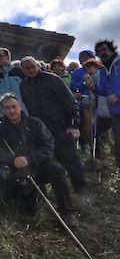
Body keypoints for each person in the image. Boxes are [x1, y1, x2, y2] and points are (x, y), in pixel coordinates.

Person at [0, 94, 77, 222]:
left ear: (20, 106)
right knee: (28, 210)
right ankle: (22, 204)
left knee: (57, 170)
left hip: (40, 164)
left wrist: (30, 159)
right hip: (17, 169)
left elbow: (48, 145)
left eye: (14, 106)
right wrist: (12, 160)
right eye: (7, 108)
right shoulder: (0, 129)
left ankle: (67, 212)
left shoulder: (35, 123)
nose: (12, 110)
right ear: (3, 110)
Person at [19, 56, 89, 197]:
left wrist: (73, 124)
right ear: (22, 70)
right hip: (41, 130)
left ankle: (82, 191)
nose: (31, 70)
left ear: (37, 65)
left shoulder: (52, 80)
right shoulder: (23, 85)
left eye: (33, 67)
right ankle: (55, 193)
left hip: (61, 126)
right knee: (47, 162)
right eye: (27, 68)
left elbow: (70, 102)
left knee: (70, 159)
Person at [95, 39, 120, 169]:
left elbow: (114, 94)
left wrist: (117, 95)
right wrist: (93, 87)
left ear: (111, 49)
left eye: (104, 49)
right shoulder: (103, 71)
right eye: (99, 52)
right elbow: (104, 91)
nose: (102, 53)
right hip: (115, 112)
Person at [0, 47, 24, 117]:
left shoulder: (19, 72)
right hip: (2, 113)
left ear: (7, 57)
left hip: (21, 111)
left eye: (0, 56)